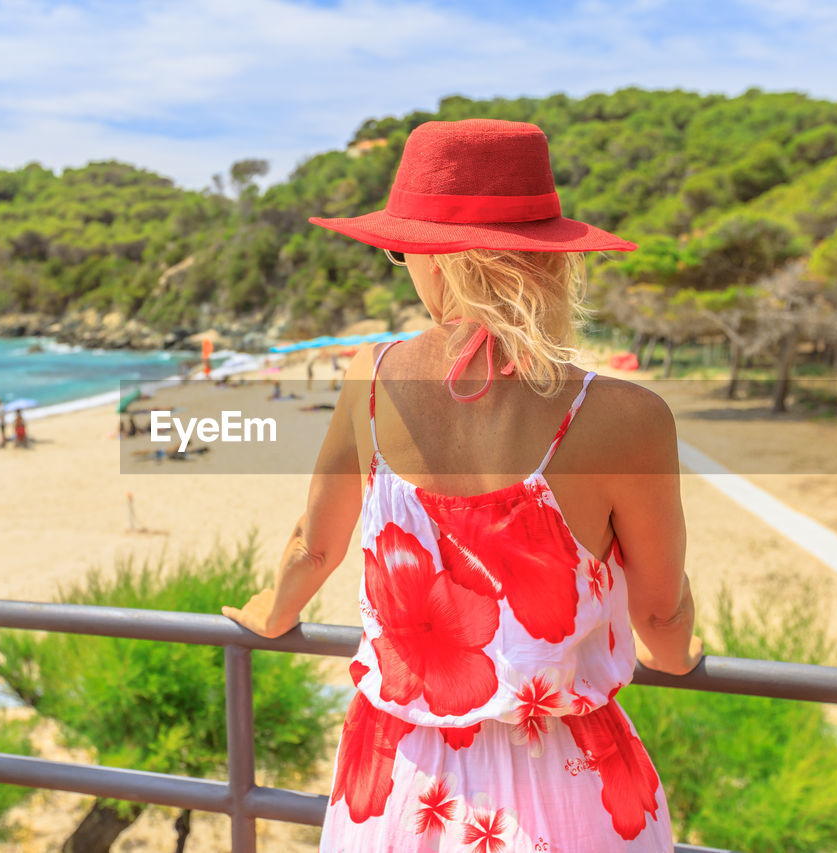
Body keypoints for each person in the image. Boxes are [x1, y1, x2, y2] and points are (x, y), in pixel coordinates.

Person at [223, 120, 702, 852]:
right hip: (570, 780)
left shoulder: (371, 378)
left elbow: (313, 547)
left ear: (437, 256)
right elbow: (660, 615)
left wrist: (271, 608)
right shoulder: (626, 416)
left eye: (399, 248)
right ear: (549, 257)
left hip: (398, 779)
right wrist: (680, 659)